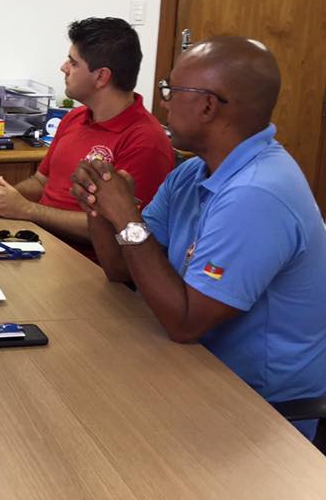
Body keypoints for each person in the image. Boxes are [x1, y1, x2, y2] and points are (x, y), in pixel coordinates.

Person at [70, 37, 326, 438]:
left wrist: (124, 215)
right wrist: (99, 206)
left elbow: (186, 323)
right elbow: (122, 269)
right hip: (190, 366)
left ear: (208, 106)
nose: (164, 104)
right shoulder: (194, 173)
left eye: (171, 91)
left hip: (258, 410)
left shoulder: (256, 193)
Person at [0, 17, 174, 247]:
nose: (64, 68)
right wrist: (0, 199)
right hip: (39, 242)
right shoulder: (74, 117)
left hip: (84, 261)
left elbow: (124, 230)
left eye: (73, 63)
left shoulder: (146, 141)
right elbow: (41, 182)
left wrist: (27, 209)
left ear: (101, 76)